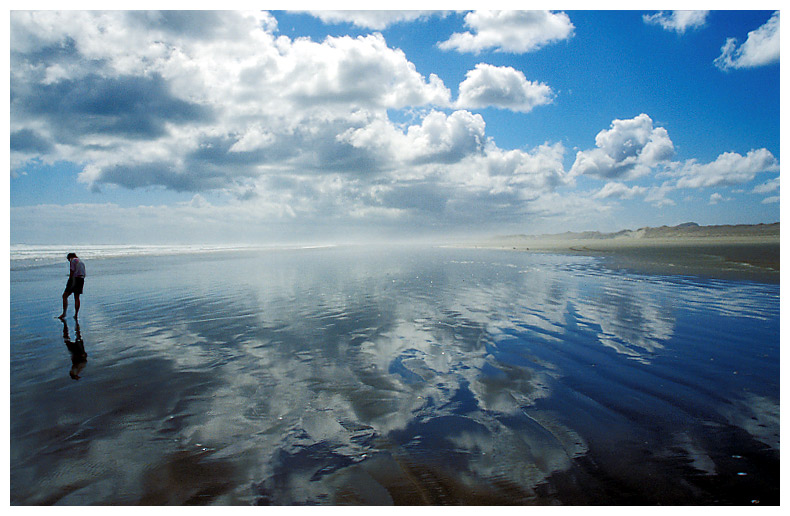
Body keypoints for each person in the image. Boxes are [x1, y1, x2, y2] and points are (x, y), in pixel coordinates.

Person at [58, 252, 86, 320]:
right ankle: (76, 314)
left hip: (74, 279)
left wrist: (69, 280)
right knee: (76, 297)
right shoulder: (81, 261)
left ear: (69, 257)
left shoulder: (72, 260)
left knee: (64, 296)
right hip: (81, 279)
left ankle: (64, 313)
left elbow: (72, 271)